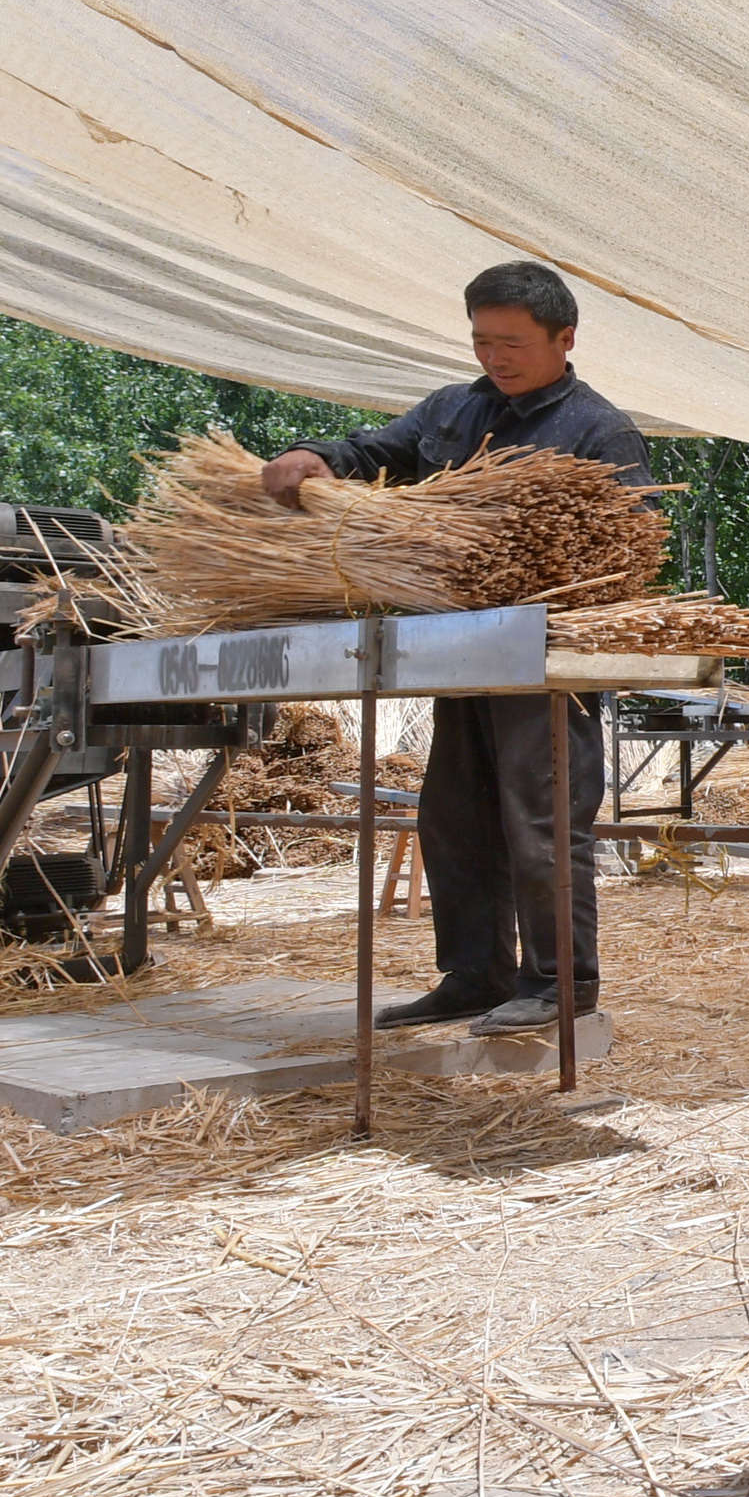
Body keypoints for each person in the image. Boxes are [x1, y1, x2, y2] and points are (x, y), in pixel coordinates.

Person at [262, 261, 649, 1036]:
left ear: (564, 339)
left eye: (511, 343)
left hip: (545, 664)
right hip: (460, 652)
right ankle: (475, 974)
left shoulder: (599, 431)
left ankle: (558, 985)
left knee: (540, 822)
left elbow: (628, 557)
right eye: (481, 342)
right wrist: (317, 457)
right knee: (455, 818)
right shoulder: (452, 410)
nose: (494, 358)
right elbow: (378, 450)